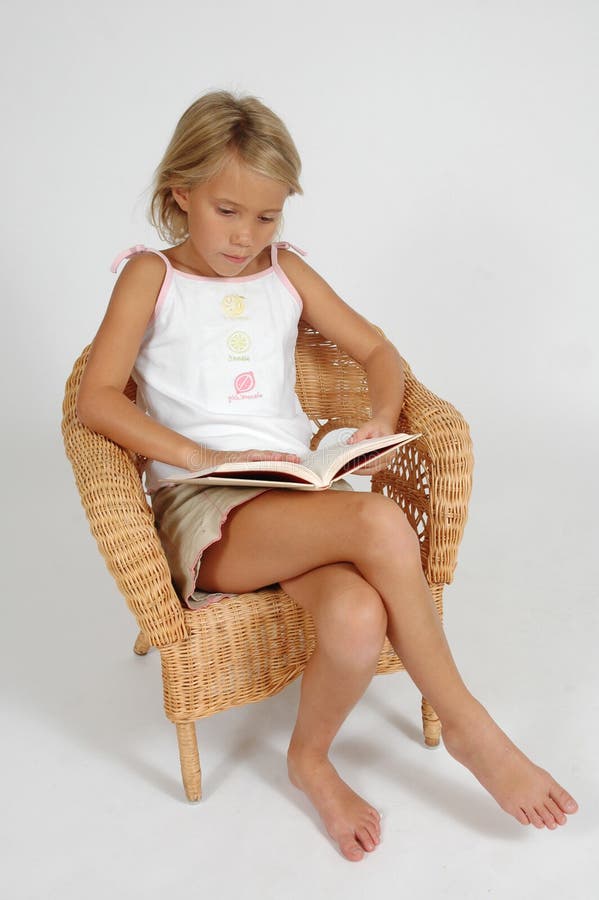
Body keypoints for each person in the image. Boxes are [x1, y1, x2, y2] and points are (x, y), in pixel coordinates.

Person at [76, 90, 578, 862]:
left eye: (266, 217)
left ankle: (308, 759)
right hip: (207, 505)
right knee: (378, 522)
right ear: (181, 193)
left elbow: (378, 352)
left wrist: (378, 418)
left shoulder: (287, 274)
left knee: (353, 619)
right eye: (227, 211)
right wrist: (192, 455)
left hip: (297, 492)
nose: (246, 237)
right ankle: (473, 731)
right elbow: (97, 400)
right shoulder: (151, 277)